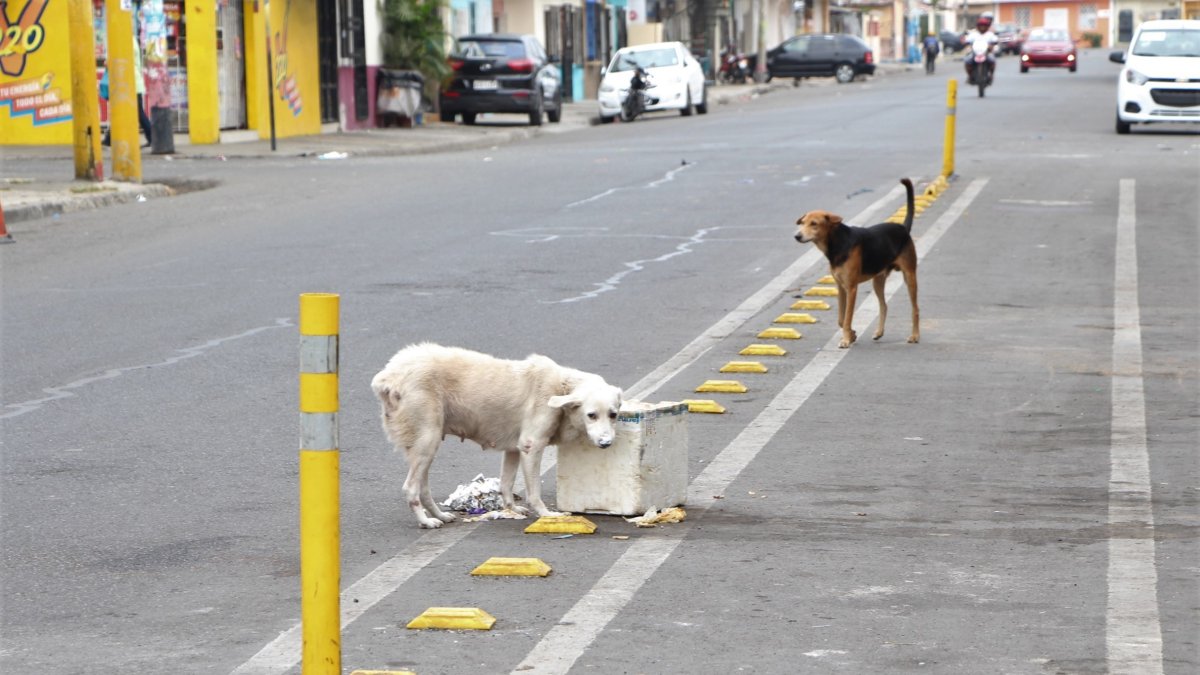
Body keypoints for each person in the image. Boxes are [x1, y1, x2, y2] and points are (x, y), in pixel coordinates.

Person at [102, 32, 153, 149]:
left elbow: (118, 59)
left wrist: (108, 61)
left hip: (129, 82)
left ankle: (152, 137)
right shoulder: (133, 40)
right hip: (133, 81)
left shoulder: (125, 41)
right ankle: (109, 138)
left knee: (136, 112)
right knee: (123, 110)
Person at [962, 14, 999, 84]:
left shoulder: (990, 34)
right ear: (978, 26)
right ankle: (970, 76)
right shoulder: (973, 34)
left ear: (987, 27)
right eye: (981, 26)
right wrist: (966, 43)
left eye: (984, 26)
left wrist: (992, 44)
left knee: (993, 60)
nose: (982, 27)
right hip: (975, 53)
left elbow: (995, 40)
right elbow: (967, 40)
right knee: (967, 61)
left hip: (986, 53)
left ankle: (991, 75)